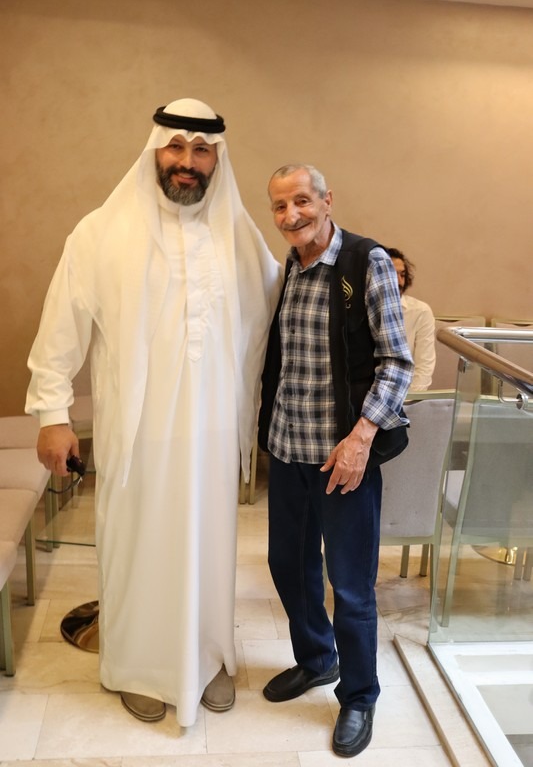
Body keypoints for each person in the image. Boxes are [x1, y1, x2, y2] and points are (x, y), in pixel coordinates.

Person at [26, 98, 281, 727]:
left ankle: (209, 657)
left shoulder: (241, 238)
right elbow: (61, 328)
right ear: (155, 151)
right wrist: (53, 414)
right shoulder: (100, 232)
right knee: (138, 546)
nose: (187, 161)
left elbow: (281, 313)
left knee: (210, 545)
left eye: (201, 150)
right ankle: (138, 666)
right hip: (136, 433)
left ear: (217, 160)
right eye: (176, 147)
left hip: (212, 432)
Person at [258, 165, 413, 758]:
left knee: (349, 585)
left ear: (327, 201)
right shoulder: (289, 270)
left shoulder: (364, 262)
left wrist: (361, 437)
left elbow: (396, 361)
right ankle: (317, 659)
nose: (291, 214)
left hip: (343, 459)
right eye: (279, 206)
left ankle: (360, 695)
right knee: (288, 565)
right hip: (288, 449)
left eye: (301, 200)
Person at [385, 247, 436, 392]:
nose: (399, 281)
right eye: (392, 274)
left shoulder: (420, 312)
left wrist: (407, 399)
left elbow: (424, 367)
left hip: (406, 396)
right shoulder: (361, 309)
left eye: (402, 275)